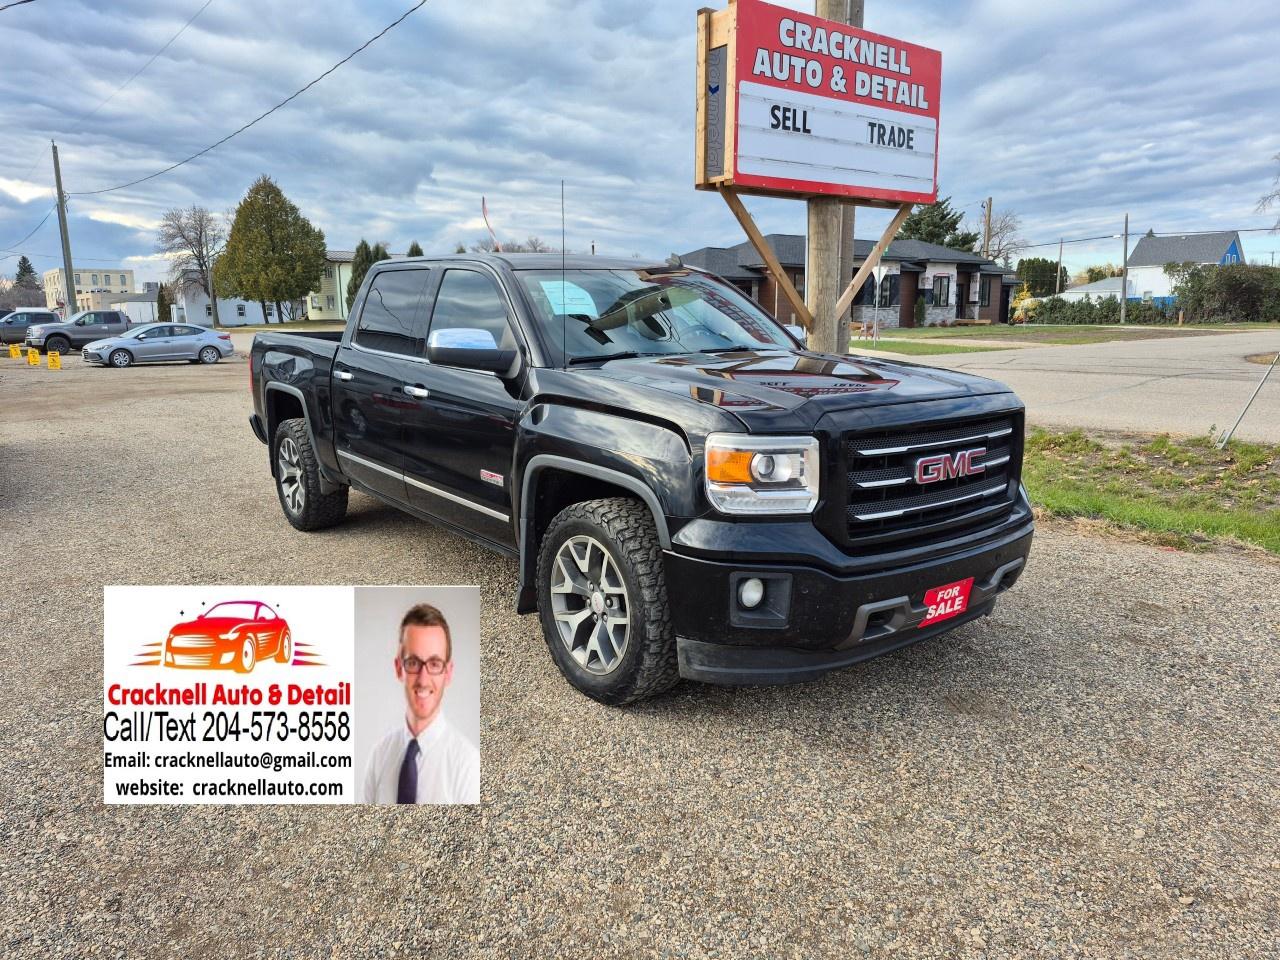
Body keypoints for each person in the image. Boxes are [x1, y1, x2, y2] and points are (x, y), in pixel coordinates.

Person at [360, 603, 480, 804]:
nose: (423, 680)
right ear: (399, 668)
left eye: (434, 664)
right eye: (414, 663)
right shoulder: (379, 756)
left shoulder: (468, 765)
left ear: (448, 672)